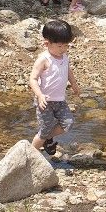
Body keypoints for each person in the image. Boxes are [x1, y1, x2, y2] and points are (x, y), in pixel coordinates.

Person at [29, 19, 80, 155]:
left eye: (66, 46)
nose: (63, 49)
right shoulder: (44, 59)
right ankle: (30, 154)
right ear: (47, 43)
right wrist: (39, 95)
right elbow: (33, 79)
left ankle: (47, 138)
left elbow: (68, 70)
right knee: (44, 130)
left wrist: (74, 83)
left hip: (60, 100)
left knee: (68, 123)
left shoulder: (64, 56)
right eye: (59, 46)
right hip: (45, 102)